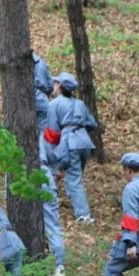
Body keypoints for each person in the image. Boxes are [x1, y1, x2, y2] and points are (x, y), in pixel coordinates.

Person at [43, 72, 98, 223]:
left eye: (55, 83)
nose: (53, 86)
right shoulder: (80, 104)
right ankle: (73, 198)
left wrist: (52, 150)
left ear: (60, 86)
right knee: (75, 176)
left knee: (74, 179)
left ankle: (83, 215)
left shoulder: (54, 104)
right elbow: (92, 123)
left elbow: (53, 132)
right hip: (85, 143)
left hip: (70, 142)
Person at [33, 53, 65, 276]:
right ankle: (59, 264)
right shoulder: (40, 62)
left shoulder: (20, 132)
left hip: (30, 173)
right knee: (52, 221)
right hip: (45, 170)